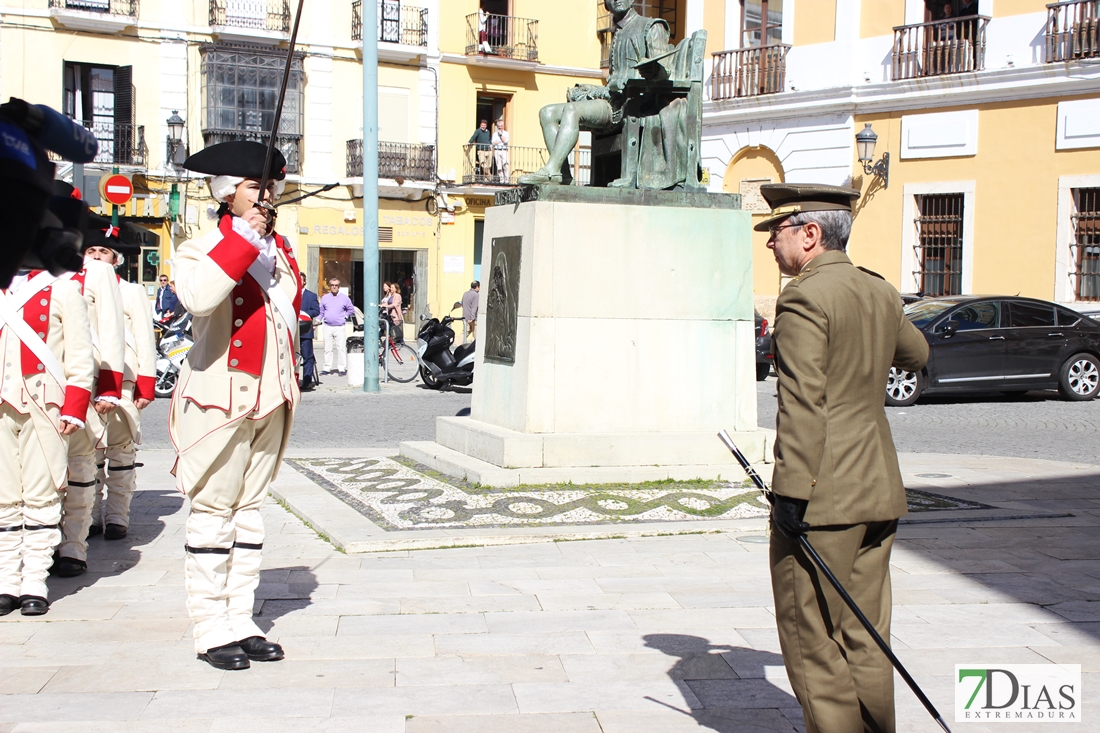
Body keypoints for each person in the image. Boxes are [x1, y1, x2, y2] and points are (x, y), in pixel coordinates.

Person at [759, 183, 929, 733]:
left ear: (810, 235)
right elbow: (918, 353)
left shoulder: (805, 297)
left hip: (822, 495)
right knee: (865, 631)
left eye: (776, 232)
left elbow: (804, 401)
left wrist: (790, 492)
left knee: (811, 636)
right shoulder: (877, 291)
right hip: (878, 485)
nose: (769, 246)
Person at [173, 140, 302, 670]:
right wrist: (245, 241)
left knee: (249, 516)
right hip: (219, 401)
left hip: (271, 398)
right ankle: (209, 628)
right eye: (255, 187)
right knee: (212, 516)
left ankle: (240, 618)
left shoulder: (281, 250)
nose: (266, 195)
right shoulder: (199, 248)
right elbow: (201, 298)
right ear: (228, 195)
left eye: (270, 187)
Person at [0, 265, 95, 616]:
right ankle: (7, 580)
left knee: (42, 493)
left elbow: (80, 354)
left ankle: (34, 581)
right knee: (4, 497)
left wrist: (74, 407)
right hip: (2, 405)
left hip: (46, 404)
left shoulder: (63, 287)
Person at [52, 212, 127, 579]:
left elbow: (112, 327)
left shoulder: (97, 272)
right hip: (37, 383)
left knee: (81, 465)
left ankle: (73, 546)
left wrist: (110, 388)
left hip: (84, 378)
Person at [82, 216, 158, 541]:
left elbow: (144, 337)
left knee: (122, 453)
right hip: (87, 380)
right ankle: (89, 516)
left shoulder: (131, 291)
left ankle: (117, 516)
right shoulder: (74, 287)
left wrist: (146, 382)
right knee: (88, 454)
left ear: (116, 258)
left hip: (124, 380)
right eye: (92, 250)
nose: (98, 256)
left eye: (104, 251)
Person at [320, 277, 354, 376]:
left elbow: (351, 309)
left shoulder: (344, 298)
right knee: (327, 348)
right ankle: (327, 368)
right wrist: (317, 320)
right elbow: (321, 311)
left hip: (340, 327)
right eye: (332, 285)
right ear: (329, 286)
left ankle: (342, 368)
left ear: (339, 287)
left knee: (341, 348)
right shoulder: (325, 298)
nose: (334, 287)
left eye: (336, 285)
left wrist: (345, 316)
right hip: (327, 326)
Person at [298, 272, 320, 391]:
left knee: (308, 357)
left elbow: (316, 310)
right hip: (293, 331)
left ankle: (307, 382)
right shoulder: (290, 294)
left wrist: (305, 314)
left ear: (304, 281)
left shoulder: (311, 296)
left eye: (300, 279)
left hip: (305, 331)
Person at [492, 119, 510, 183]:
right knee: (499, 166)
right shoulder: (494, 134)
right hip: (497, 151)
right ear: (497, 126)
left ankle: (507, 180)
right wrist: (500, 141)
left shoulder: (506, 133)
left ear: (503, 126)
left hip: (504, 150)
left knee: (505, 165)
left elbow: (505, 141)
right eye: (498, 126)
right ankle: (501, 180)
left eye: (501, 126)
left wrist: (500, 135)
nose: (499, 127)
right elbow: (493, 143)